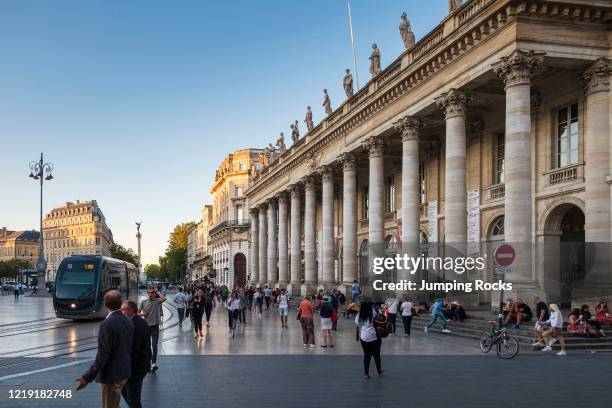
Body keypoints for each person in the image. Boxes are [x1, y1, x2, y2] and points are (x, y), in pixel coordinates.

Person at [76, 291, 134, 408]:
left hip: (111, 376)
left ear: (105, 304)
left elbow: (103, 355)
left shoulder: (107, 324)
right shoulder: (128, 320)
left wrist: (87, 377)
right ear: (121, 303)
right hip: (124, 371)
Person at [120, 300, 151, 408]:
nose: (121, 312)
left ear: (131, 311)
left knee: (133, 397)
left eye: (124, 309)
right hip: (138, 366)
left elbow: (134, 349)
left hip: (135, 368)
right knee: (129, 393)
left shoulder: (134, 324)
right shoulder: (140, 322)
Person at [138, 287, 166, 372]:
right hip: (146, 327)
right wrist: (143, 314)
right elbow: (137, 313)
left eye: (152, 293)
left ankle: (154, 363)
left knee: (154, 345)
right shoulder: (143, 302)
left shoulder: (157, 301)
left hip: (155, 327)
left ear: (154, 294)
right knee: (147, 346)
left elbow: (164, 298)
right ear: (147, 294)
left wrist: (157, 291)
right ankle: (148, 363)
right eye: (149, 293)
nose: (150, 294)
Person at [355, 302, 383, 379]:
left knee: (367, 355)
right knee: (376, 355)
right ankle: (379, 371)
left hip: (364, 336)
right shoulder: (373, 312)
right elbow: (379, 317)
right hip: (373, 336)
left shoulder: (359, 314)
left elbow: (357, 324)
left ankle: (366, 374)